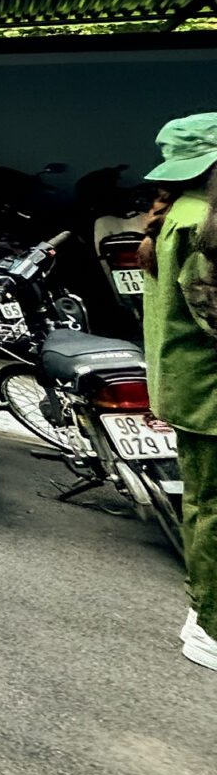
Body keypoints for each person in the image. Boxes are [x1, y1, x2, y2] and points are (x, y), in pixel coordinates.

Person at [139, 112, 217, 670]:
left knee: (206, 505)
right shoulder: (201, 223)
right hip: (209, 394)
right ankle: (210, 626)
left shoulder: (181, 214)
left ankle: (203, 610)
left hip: (192, 389)